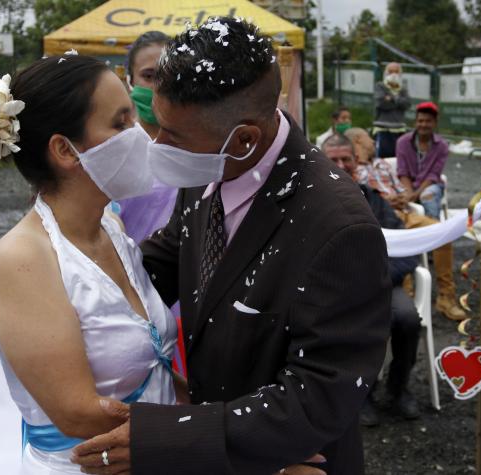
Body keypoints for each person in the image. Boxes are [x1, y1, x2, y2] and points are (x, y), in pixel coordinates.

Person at [72, 17, 390, 475]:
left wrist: (168, 436)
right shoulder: (209, 166)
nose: (156, 144)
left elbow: (319, 397)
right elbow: (162, 262)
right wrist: (65, 281)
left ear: (243, 139)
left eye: (172, 136)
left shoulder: (339, 228)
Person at [0, 54, 181, 475]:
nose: (140, 135)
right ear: (65, 150)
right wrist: (207, 436)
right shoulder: (23, 258)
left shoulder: (110, 227)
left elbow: (156, 367)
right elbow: (77, 412)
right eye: (120, 123)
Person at [324, 134, 422, 424]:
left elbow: (407, 248)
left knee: (406, 318)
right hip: (334, 291)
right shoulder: (308, 202)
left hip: (381, 285)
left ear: (357, 162)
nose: (341, 165)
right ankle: (360, 393)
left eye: (346, 159)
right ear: (320, 162)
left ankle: (398, 388)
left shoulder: (374, 202)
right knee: (357, 320)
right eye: (333, 160)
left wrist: (376, 279)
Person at [345, 128, 467, 321]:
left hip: (406, 212)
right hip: (383, 218)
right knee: (402, 246)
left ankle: (446, 297)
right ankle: (407, 300)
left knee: (441, 235)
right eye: (369, 138)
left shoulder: (382, 164)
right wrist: (386, 201)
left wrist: (402, 195)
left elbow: (401, 188)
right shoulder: (351, 170)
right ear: (358, 141)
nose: (373, 142)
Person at [117, 30, 178, 244]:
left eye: (168, 74)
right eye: (149, 76)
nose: (159, 86)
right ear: (130, 80)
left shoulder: (200, 147)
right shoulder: (113, 148)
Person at [397, 102, 448, 219]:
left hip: (430, 185)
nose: (423, 124)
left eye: (428, 121)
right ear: (415, 122)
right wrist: (409, 193)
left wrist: (416, 194)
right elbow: (402, 171)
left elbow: (433, 175)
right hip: (406, 185)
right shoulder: (402, 142)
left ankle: (433, 230)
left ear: (435, 123)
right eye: (420, 121)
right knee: (395, 200)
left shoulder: (442, 146)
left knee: (428, 196)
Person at [373, 62, 410, 158]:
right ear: (386, 73)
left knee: (399, 160)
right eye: (391, 71)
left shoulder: (403, 89)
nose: (393, 74)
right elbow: (381, 104)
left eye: (396, 72)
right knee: (382, 160)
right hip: (383, 129)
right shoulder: (380, 86)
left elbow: (407, 104)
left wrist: (391, 98)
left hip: (400, 129)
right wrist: (398, 101)